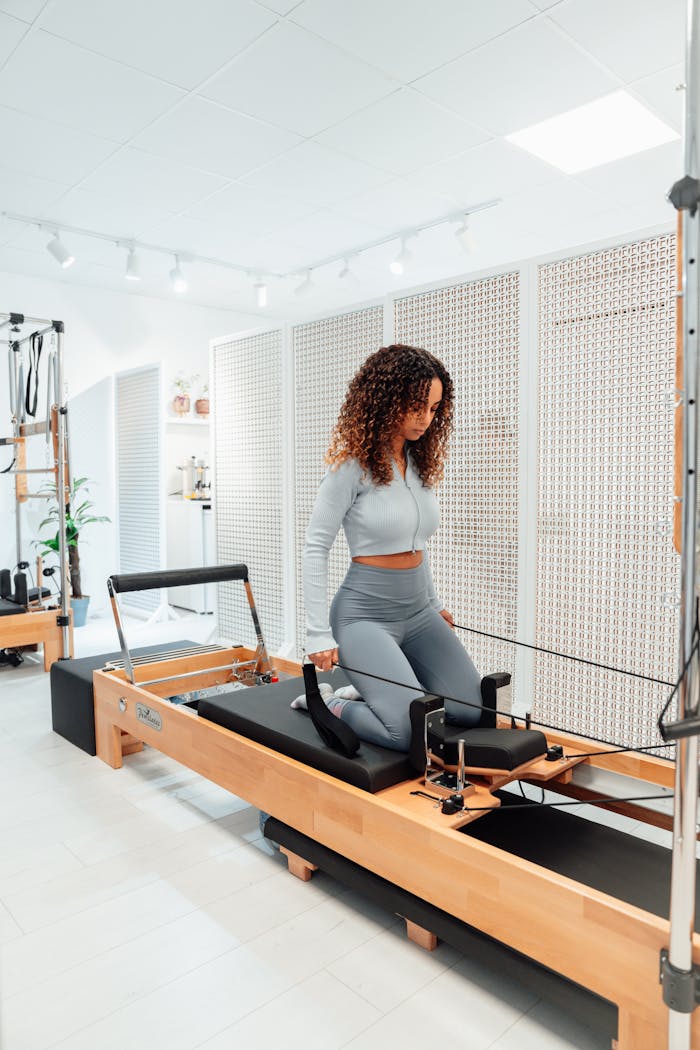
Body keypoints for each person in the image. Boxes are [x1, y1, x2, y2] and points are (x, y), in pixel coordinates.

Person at [302, 343, 482, 751]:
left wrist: (434, 603)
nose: (426, 418)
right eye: (417, 406)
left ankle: (371, 690)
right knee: (407, 730)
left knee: (471, 711)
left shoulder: (419, 464)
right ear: (386, 399)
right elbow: (316, 547)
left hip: (417, 609)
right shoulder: (351, 466)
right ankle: (334, 704)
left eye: (434, 409)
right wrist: (316, 634)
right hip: (364, 615)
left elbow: (417, 542)